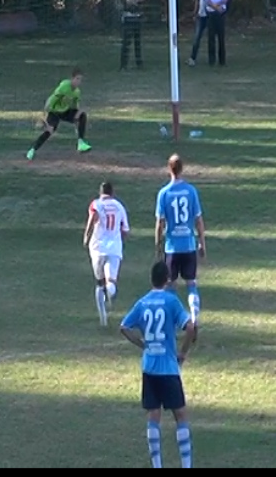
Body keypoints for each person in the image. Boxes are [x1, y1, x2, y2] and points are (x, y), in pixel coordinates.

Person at [120, 260, 197, 469]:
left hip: (149, 367)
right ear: (168, 279)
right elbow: (190, 327)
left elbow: (124, 327)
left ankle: (157, 465)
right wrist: (182, 352)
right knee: (180, 414)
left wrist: (142, 344)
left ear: (151, 279)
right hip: (168, 368)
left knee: (153, 416)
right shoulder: (171, 301)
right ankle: (187, 465)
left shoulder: (143, 302)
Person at [155, 154, 206, 328]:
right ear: (182, 169)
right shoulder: (191, 191)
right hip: (189, 245)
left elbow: (160, 223)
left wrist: (158, 244)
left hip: (172, 247)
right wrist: (202, 242)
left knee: (170, 285)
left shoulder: (164, 193)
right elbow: (198, 219)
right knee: (191, 283)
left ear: (169, 169)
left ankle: (177, 320)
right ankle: (194, 315)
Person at [83, 182, 130, 327]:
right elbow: (125, 230)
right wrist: (119, 241)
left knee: (99, 282)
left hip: (97, 248)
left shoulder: (96, 204)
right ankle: (111, 293)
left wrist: (86, 236)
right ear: (112, 192)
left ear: (100, 192)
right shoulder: (119, 206)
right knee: (111, 281)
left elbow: (92, 220)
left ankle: (103, 317)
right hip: (114, 248)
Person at [26, 68, 91, 159]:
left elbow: (75, 107)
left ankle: (81, 143)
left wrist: (77, 118)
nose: (78, 82)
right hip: (54, 112)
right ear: (72, 78)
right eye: (77, 79)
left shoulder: (77, 92)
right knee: (50, 131)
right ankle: (32, 150)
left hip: (65, 112)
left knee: (82, 115)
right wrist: (44, 115)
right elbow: (51, 99)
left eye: (80, 79)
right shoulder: (64, 86)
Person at [203, 0, 230, 66]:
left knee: (221, 38)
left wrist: (217, 5)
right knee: (211, 38)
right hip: (211, 14)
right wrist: (216, 7)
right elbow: (207, 0)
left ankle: (222, 60)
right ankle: (211, 60)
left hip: (220, 14)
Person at [187, 0, 210, 67]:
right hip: (201, 14)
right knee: (197, 37)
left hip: (210, 13)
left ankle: (212, 59)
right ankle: (192, 58)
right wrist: (195, 12)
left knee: (211, 37)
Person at [120, 0, 146, 70]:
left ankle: (139, 64)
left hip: (137, 20)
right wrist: (131, 1)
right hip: (128, 21)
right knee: (126, 43)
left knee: (137, 43)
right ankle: (123, 65)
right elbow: (124, 3)